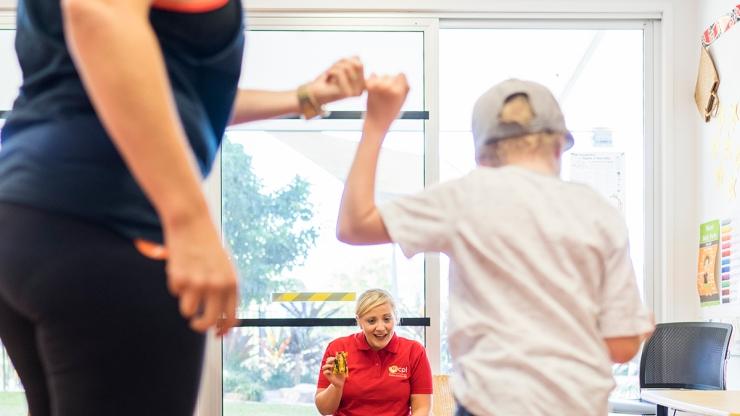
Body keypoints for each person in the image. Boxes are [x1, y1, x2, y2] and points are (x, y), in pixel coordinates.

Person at [0, 1, 364, 415]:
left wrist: (304, 97)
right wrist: (189, 219)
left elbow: (167, 95)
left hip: (29, 215)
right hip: (108, 220)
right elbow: (100, 15)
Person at [336, 76, 654, 415]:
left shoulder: (463, 197)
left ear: (482, 155)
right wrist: (636, 327)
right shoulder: (598, 211)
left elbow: (353, 225)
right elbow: (620, 346)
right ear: (559, 146)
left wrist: (375, 124)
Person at [315, 288, 432, 416]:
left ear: (396, 318)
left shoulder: (414, 351)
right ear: (359, 321)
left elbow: (422, 409)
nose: (381, 328)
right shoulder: (339, 349)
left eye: (387, 319)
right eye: (371, 321)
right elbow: (325, 410)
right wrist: (336, 386)